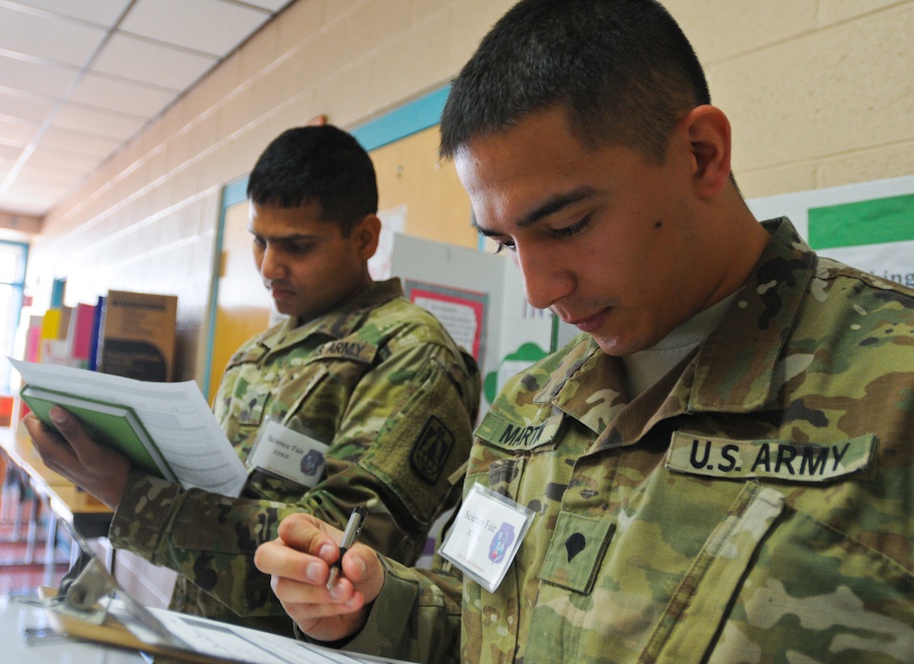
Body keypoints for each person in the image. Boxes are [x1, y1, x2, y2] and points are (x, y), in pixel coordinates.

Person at [253, 1, 914, 662]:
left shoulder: (892, 384)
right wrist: (367, 606)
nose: (539, 291)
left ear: (701, 155)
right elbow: (481, 616)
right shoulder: (534, 402)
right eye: (506, 244)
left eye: (568, 226)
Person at [25, 124, 481, 637]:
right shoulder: (255, 354)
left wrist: (131, 495)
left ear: (365, 238)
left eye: (297, 246)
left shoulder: (412, 353)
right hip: (201, 635)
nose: (269, 267)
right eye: (259, 241)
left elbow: (336, 561)